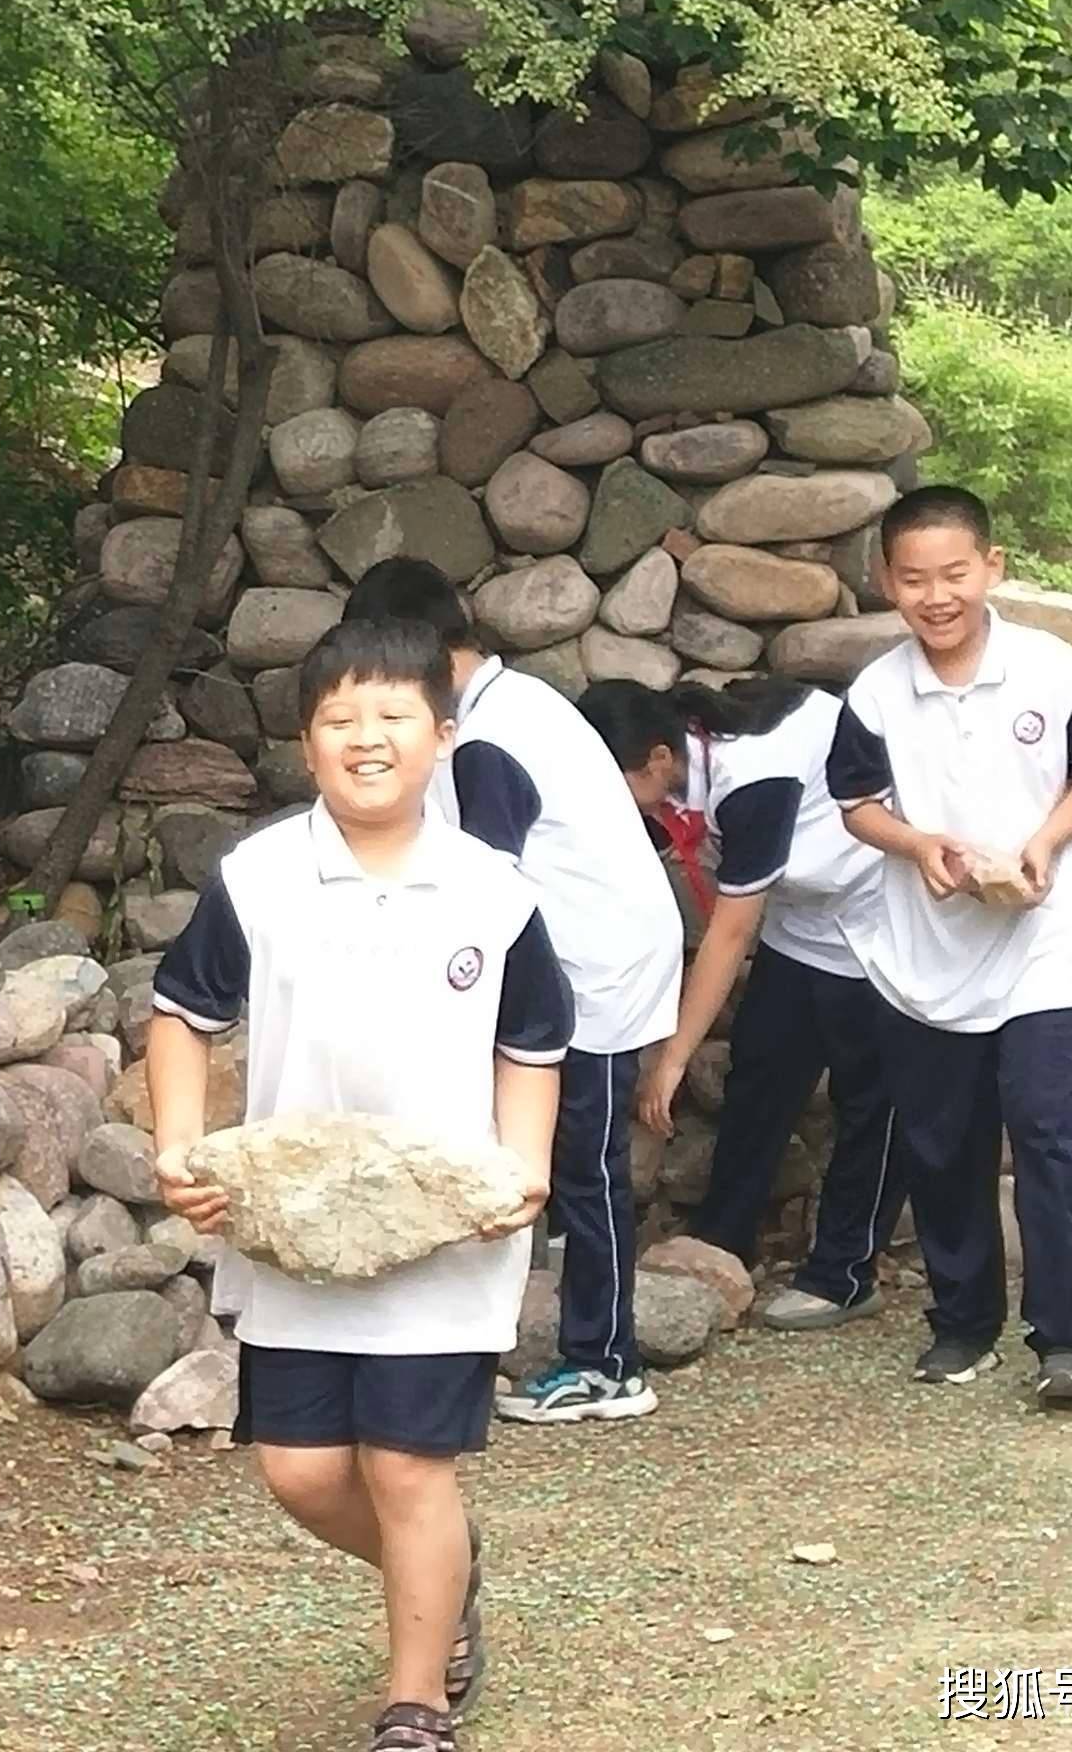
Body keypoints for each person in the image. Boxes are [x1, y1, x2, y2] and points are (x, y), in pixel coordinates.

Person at [148, 618, 570, 1752]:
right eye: (340, 718)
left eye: (393, 716)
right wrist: (181, 1145)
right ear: (306, 740)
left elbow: (534, 1041)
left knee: (405, 1463)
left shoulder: (495, 893)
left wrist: (523, 1165)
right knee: (300, 1470)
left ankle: (416, 1701)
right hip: (294, 1228)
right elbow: (183, 1014)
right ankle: (446, 1575)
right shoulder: (261, 876)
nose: (367, 738)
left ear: (442, 735)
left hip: (445, 1237)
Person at [343, 558, 682, 1425]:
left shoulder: (491, 736)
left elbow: (482, 886)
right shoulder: (511, 701)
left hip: (592, 968)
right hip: (584, 958)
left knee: (588, 1166)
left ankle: (607, 1364)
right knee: (566, 1162)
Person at [825, 486, 1072, 1406]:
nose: (935, 594)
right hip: (928, 952)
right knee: (943, 1143)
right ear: (886, 582)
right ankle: (962, 1324)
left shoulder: (1050, 666)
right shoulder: (875, 692)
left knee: (1047, 1129)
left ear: (991, 568)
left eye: (954, 572)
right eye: (913, 578)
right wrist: (921, 847)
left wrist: (1039, 846)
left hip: (1045, 940)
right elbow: (856, 804)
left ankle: (1068, 1338)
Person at [579, 676, 907, 1329]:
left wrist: (671, 1057)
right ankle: (721, 1245)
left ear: (658, 761)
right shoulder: (677, 768)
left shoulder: (751, 776)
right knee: (759, 1078)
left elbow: (730, 932)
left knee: (869, 1099)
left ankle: (843, 1271)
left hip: (878, 922)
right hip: (802, 922)